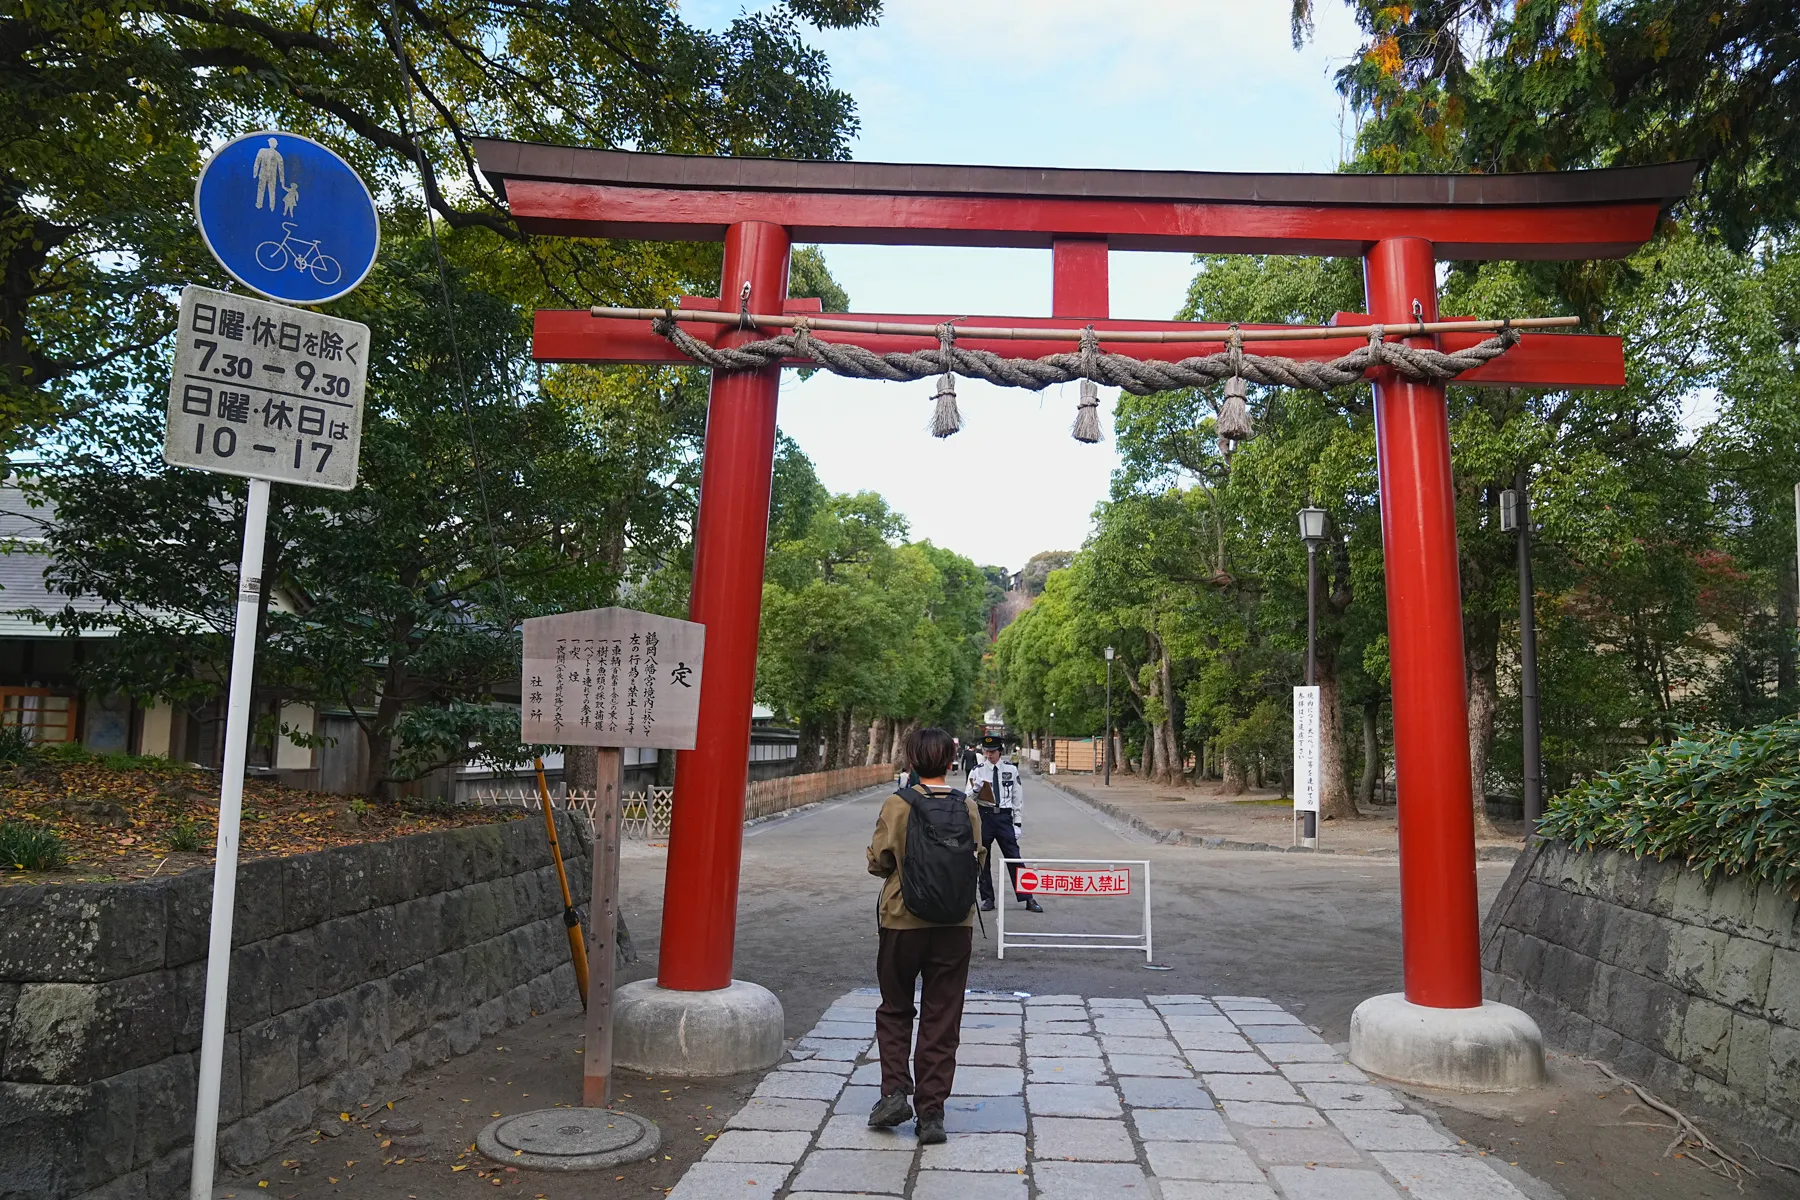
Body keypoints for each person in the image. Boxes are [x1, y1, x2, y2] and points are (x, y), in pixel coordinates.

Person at [865, 726, 984, 1145]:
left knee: (896, 1007)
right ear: (951, 762)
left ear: (911, 761)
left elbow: (878, 861)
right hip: (955, 925)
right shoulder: (967, 806)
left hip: (901, 921)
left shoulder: (898, 804)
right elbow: (978, 859)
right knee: (942, 1016)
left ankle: (895, 1091)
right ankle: (931, 1113)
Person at [969, 735, 1042, 913]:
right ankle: (987, 897)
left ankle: (1027, 897)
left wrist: (1017, 823)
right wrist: (976, 789)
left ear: (999, 751)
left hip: (1004, 817)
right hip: (985, 816)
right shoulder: (977, 771)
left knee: (1014, 857)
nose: (989, 755)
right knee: (983, 859)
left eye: (992, 751)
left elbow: (1017, 797)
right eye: (986, 751)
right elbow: (967, 800)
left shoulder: (1010, 769)